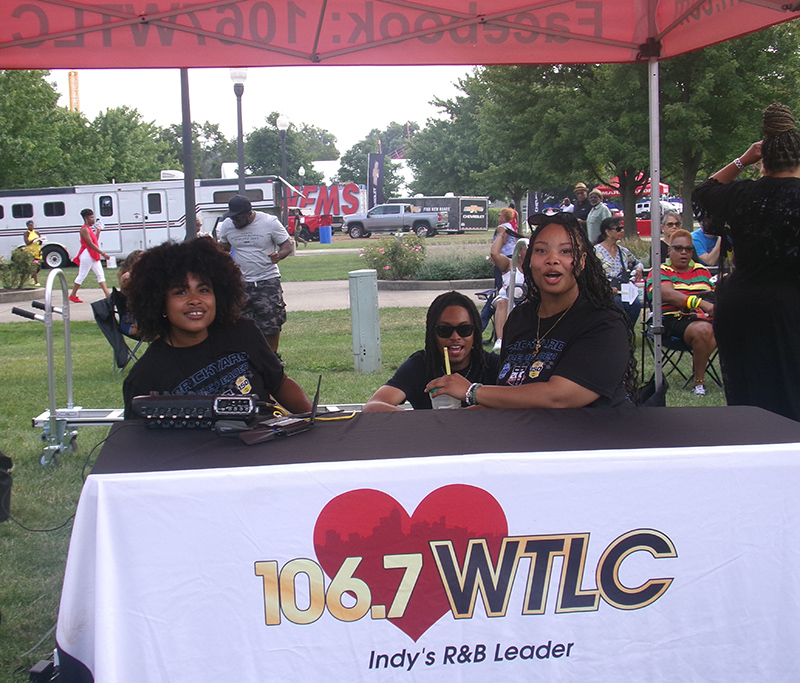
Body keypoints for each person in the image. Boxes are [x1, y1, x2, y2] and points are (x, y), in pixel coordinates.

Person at [426, 213, 636, 409]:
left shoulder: (604, 324)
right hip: (525, 442)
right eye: (541, 250)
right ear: (529, 261)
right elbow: (515, 395)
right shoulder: (519, 318)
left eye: (565, 251)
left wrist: (472, 391)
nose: (552, 259)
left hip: (591, 444)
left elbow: (559, 396)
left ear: (581, 262)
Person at [692, 102, 800, 420]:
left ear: (762, 160)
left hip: (740, 305)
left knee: (749, 399)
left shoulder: (742, 195)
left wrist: (742, 160)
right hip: (789, 306)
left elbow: (703, 192)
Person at [122, 237, 311, 418]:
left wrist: (316, 420)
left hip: (264, 445)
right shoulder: (144, 377)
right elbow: (139, 444)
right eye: (180, 292)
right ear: (159, 302)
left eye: (203, 290)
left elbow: (279, 383)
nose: (195, 300)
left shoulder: (242, 332)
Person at [363, 291, 501, 411]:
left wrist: (466, 413)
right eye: (444, 330)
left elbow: (518, 404)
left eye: (464, 329)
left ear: (475, 332)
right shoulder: (420, 365)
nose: (455, 337)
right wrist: (427, 421)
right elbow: (373, 406)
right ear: (432, 334)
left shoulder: (492, 365)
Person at [217, 195, 293, 353]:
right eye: (232, 218)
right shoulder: (227, 225)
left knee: (271, 323)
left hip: (267, 280)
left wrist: (279, 255)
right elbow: (223, 247)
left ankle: (272, 358)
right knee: (239, 323)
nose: (234, 222)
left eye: (238, 218)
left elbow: (287, 245)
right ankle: (247, 357)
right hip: (240, 283)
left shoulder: (269, 223)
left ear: (249, 213)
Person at [646, 229, 716, 396]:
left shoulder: (703, 271)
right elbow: (668, 294)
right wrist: (700, 303)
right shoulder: (660, 270)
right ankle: (699, 382)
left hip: (705, 319)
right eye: (678, 248)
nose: (684, 252)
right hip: (671, 320)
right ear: (669, 250)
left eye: (688, 249)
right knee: (705, 330)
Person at [594, 216, 643, 326]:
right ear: (608, 232)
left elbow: (637, 262)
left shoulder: (623, 251)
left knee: (635, 305)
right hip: (604, 290)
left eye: (622, 228)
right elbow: (590, 274)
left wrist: (639, 268)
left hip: (623, 289)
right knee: (616, 303)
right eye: (618, 229)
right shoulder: (596, 251)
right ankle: (618, 333)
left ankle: (627, 334)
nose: (622, 231)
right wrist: (606, 288)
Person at [489, 223, 526, 352]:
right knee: (503, 302)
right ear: (519, 252)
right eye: (527, 248)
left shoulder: (536, 268)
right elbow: (494, 254)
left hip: (525, 300)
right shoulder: (509, 264)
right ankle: (500, 340)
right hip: (506, 298)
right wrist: (501, 234)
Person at [70, 208, 111, 303]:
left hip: (92, 253)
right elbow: (90, 244)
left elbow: (94, 242)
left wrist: (98, 232)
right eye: (91, 217)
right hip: (87, 254)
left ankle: (107, 294)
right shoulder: (84, 229)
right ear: (86, 218)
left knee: (100, 274)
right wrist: (103, 253)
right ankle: (72, 295)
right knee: (82, 274)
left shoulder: (89, 229)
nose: (93, 219)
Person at [23, 220, 43, 285]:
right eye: (29, 225)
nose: (31, 226)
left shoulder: (37, 232)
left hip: (37, 251)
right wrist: (33, 240)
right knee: (34, 267)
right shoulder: (26, 233)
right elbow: (27, 243)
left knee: (39, 267)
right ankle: (36, 282)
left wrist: (40, 240)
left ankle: (31, 277)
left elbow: (40, 243)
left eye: (32, 225)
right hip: (30, 252)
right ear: (27, 226)